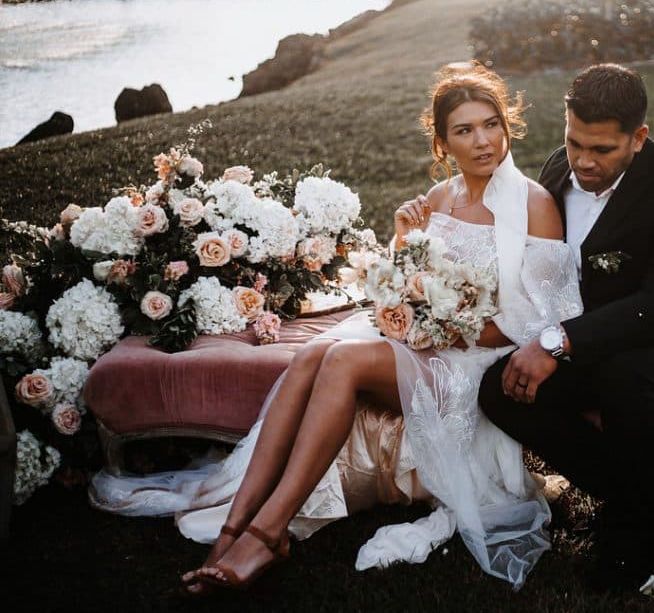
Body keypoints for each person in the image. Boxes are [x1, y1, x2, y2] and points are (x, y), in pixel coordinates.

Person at [89, 62, 583, 593]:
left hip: (478, 362)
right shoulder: (439, 200)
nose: (483, 141)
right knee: (310, 356)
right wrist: (403, 240)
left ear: (507, 125)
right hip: (424, 345)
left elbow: (547, 317)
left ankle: (265, 533)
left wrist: (448, 327)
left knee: (342, 358)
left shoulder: (534, 204)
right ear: (442, 143)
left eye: (491, 124)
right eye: (464, 130)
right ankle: (237, 523)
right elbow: (404, 281)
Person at [478, 63, 654, 591]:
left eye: (602, 149)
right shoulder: (557, 169)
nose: (583, 161)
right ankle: (638, 497)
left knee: (626, 373)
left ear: (638, 138)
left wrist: (559, 341)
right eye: (574, 142)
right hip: (595, 344)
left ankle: (631, 540)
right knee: (499, 388)